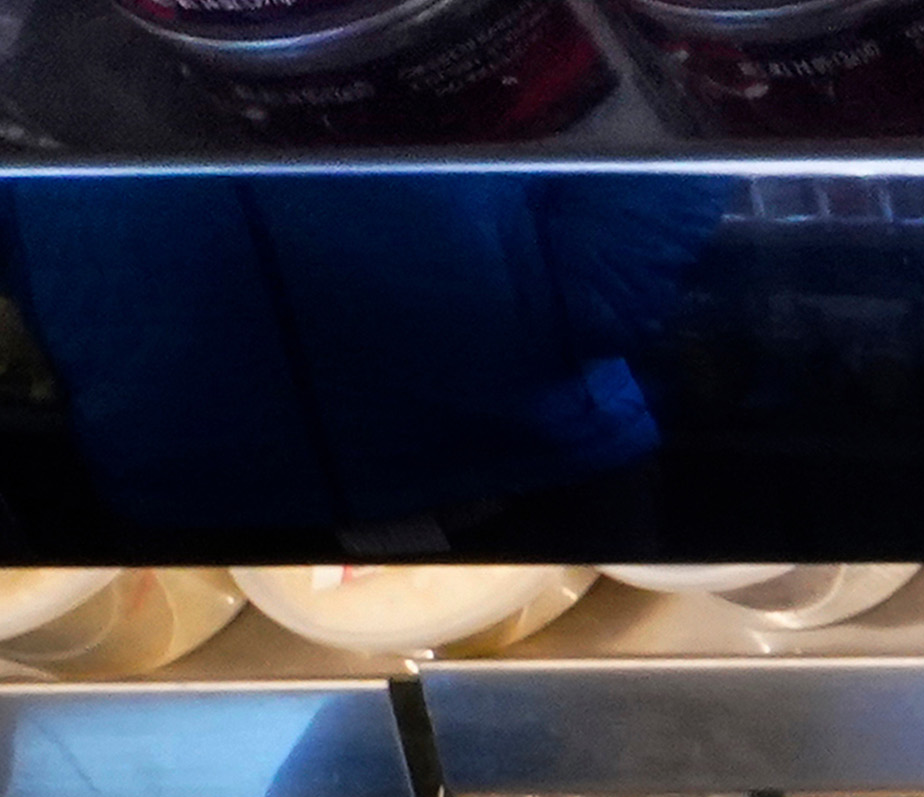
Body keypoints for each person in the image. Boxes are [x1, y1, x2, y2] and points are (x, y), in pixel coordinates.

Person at [0, 173, 724, 548]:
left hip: (540, 463)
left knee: (633, 741)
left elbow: (646, 100)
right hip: (183, 497)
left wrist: (584, 301)